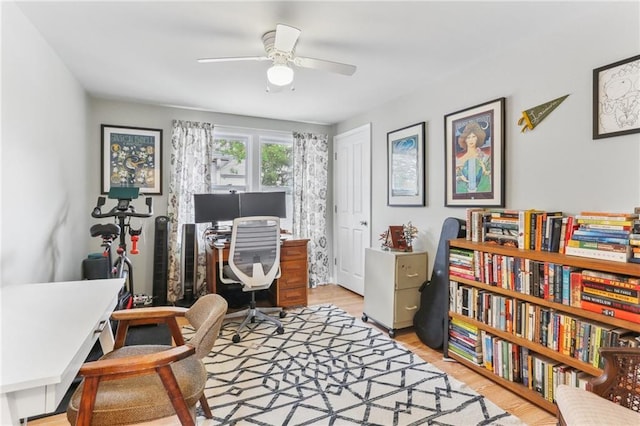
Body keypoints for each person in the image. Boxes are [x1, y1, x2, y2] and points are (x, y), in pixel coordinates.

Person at [455, 121, 491, 194]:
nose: (471, 140)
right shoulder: (458, 159)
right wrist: (459, 178)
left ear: (478, 138)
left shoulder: (486, 157)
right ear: (464, 139)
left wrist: (486, 172)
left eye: (474, 137)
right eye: (468, 137)